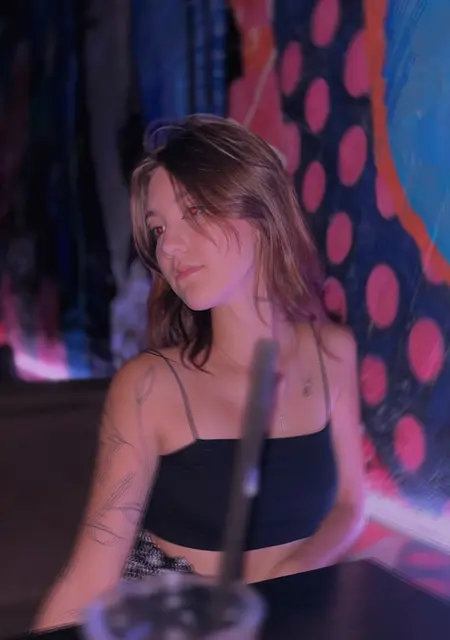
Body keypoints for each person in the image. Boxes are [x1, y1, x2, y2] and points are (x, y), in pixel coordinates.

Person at [34, 115, 365, 630]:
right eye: (159, 228)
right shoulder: (149, 387)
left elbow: (350, 503)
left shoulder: (334, 354)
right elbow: (90, 580)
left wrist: (295, 571)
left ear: (261, 209)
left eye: (194, 211)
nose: (167, 246)